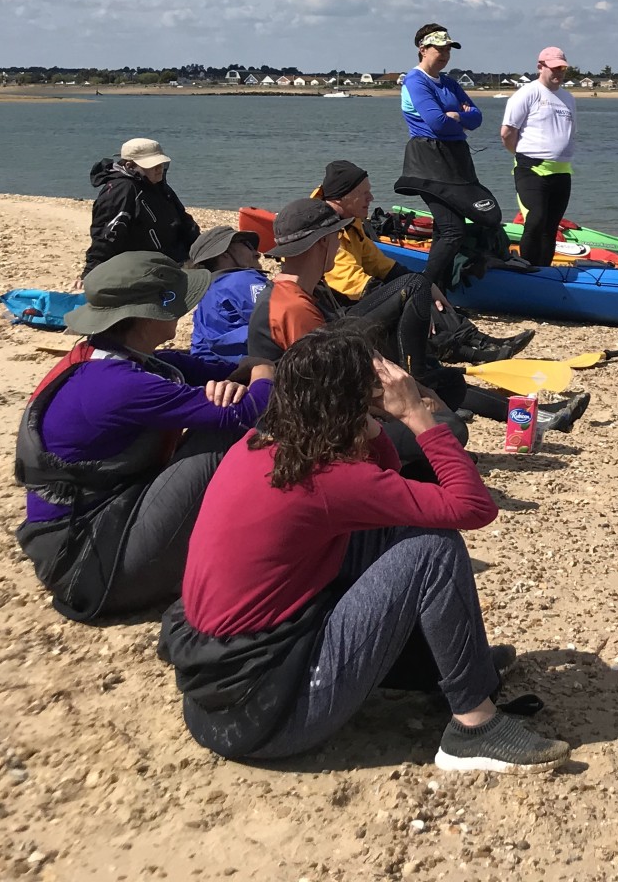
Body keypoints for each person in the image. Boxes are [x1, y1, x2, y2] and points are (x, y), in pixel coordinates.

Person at [160, 329, 570, 771]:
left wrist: (366, 421)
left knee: (390, 530)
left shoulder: (265, 444)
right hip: (270, 715)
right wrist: (414, 412)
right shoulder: (330, 478)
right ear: (352, 405)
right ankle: (475, 728)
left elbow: (383, 478)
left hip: (220, 697)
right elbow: (473, 507)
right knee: (433, 547)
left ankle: (453, 665)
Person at [15, 252, 270, 621]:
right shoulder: (118, 385)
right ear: (149, 314)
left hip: (92, 529)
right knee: (218, 438)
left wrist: (242, 372)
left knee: (218, 417)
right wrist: (265, 368)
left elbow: (197, 367)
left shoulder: (112, 357)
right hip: (88, 562)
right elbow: (248, 411)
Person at [245, 199, 578, 461]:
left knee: (444, 386)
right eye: (336, 237)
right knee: (450, 430)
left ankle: (463, 417)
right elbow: (338, 390)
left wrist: (419, 394)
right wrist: (408, 409)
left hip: (333, 405)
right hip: (320, 429)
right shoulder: (293, 307)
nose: (338, 243)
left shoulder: (306, 290)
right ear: (322, 243)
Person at [314, 159, 532, 364]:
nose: (371, 198)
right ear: (340, 198)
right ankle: (466, 348)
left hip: (356, 298)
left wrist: (426, 286)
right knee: (412, 294)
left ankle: (476, 339)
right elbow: (355, 285)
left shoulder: (351, 222)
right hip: (338, 312)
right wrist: (413, 300)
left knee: (421, 287)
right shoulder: (326, 230)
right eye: (363, 193)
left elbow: (380, 264)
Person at [394, 23, 508, 291]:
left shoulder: (448, 83)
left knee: (445, 229)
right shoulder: (415, 81)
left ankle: (442, 291)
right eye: (439, 48)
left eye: (448, 49)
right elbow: (436, 123)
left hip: (456, 161)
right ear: (423, 49)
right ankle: (423, 290)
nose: (445, 54)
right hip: (428, 160)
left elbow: (477, 118)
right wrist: (459, 116)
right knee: (452, 229)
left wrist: (458, 116)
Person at [501, 47, 579, 267]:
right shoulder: (528, 93)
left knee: (550, 226)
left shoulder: (568, 98)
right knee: (535, 220)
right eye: (554, 68)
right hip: (531, 169)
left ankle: (543, 271)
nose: (559, 73)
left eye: (562, 68)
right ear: (540, 67)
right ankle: (526, 267)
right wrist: (522, 155)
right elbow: (507, 133)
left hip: (562, 171)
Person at [84, 137, 201, 278]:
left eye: (161, 164)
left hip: (176, 258)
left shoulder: (158, 186)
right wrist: (91, 271)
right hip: (147, 267)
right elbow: (107, 235)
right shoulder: (122, 190)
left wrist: (200, 250)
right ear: (130, 166)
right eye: (153, 165)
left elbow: (183, 220)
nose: (159, 169)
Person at [187, 224, 267, 369]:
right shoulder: (240, 280)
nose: (257, 253)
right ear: (224, 253)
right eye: (246, 244)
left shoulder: (207, 293)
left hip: (212, 373)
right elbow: (280, 321)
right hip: (248, 374)